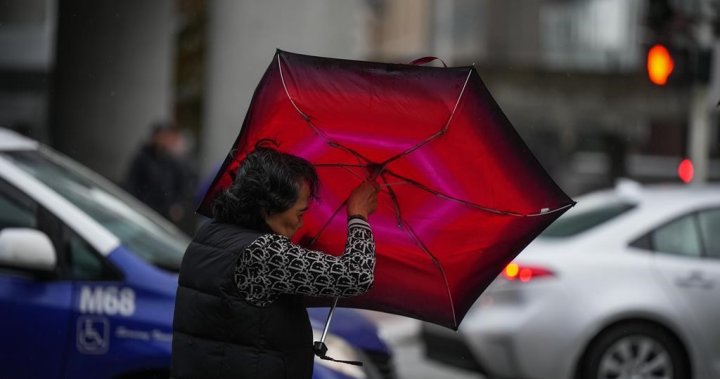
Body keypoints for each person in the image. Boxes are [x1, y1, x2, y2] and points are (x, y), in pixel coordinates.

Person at [171, 142, 378, 379]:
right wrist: (358, 214)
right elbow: (357, 275)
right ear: (268, 209)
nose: (301, 222)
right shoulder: (264, 252)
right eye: (300, 212)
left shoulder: (209, 235)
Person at [124, 122, 196, 229]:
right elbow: (132, 185)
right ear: (154, 137)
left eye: (167, 137)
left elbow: (183, 186)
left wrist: (177, 205)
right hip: (145, 211)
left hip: (166, 215)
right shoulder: (142, 159)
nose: (165, 140)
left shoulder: (172, 161)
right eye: (162, 137)